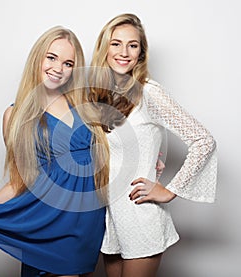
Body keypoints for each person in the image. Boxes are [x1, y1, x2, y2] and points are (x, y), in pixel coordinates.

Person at [0, 26, 110, 277]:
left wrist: (155, 160)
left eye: (68, 63)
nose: (58, 68)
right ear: (38, 57)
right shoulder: (15, 115)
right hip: (48, 221)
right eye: (52, 57)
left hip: (87, 223)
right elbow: (22, 178)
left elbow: (111, 150)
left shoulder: (85, 106)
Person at [88, 13, 217, 277]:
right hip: (110, 217)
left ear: (141, 53)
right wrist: (156, 158)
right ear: (104, 48)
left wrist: (169, 190)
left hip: (140, 216)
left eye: (132, 45)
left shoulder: (149, 92)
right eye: (116, 43)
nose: (124, 52)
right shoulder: (99, 95)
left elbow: (204, 141)